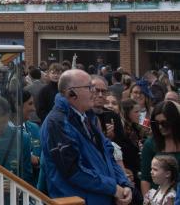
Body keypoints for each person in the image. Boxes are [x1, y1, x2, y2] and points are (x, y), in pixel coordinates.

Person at [41, 69, 132, 204]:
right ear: (72, 93)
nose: (94, 92)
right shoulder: (57, 122)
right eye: (89, 87)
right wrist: (112, 188)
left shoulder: (88, 117)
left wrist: (124, 184)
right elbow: (73, 171)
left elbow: (108, 153)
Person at [141, 101, 180, 197]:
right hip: (159, 199)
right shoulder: (150, 144)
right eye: (156, 123)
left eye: (164, 123)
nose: (160, 127)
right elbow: (145, 178)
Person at [21, 89, 41, 185]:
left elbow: (44, 156)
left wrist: (38, 160)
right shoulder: (4, 132)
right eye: (30, 104)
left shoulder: (34, 128)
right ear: (18, 106)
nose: (34, 108)